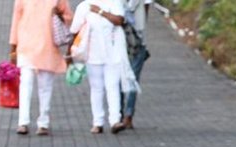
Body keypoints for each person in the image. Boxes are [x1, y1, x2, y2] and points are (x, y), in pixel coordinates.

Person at [70, 0, 138, 134]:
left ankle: (115, 121)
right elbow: (75, 29)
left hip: (113, 53)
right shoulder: (84, 6)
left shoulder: (114, 3)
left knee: (112, 86)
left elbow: (119, 20)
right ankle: (97, 122)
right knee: (96, 88)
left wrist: (100, 11)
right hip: (92, 54)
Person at [9, 0, 73, 136]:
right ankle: (23, 122)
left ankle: (43, 122)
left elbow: (68, 16)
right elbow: (16, 19)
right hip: (26, 45)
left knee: (45, 86)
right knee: (26, 84)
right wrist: (13, 47)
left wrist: (59, 15)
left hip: (47, 45)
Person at [119, 0, 152, 130]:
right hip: (137, 38)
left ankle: (119, 114)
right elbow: (147, 8)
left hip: (120, 40)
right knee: (133, 78)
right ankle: (128, 116)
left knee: (119, 77)